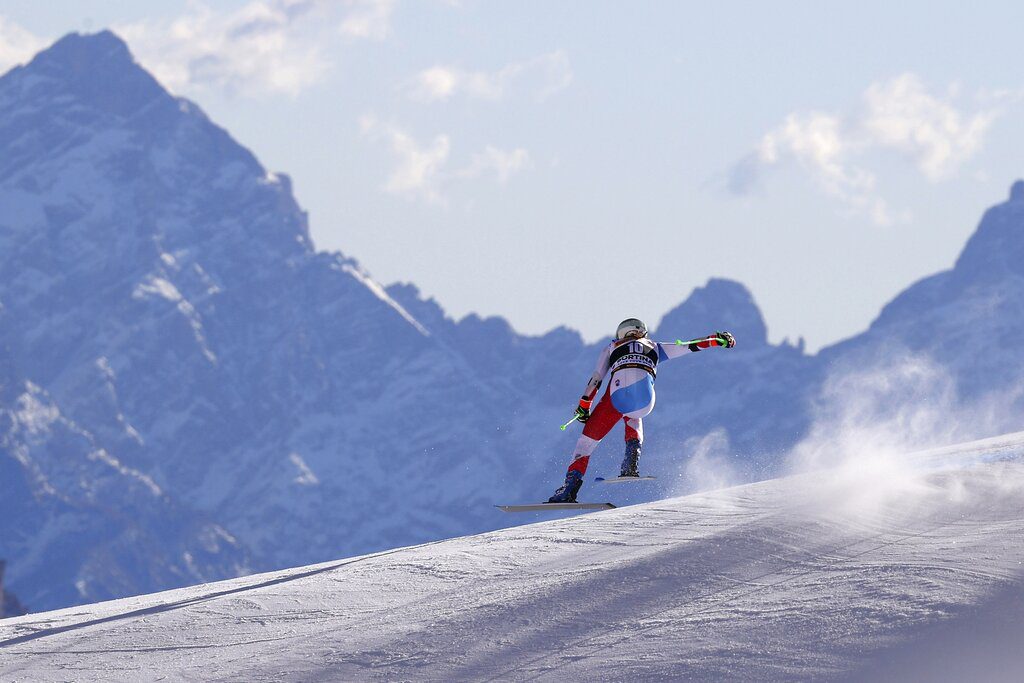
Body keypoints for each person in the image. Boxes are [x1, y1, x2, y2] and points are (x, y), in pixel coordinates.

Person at [547, 318, 736, 503]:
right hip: (646, 401)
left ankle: (570, 489)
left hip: (617, 397)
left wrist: (584, 406)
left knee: (585, 443)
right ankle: (631, 462)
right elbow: (690, 346)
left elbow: (596, 380)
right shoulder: (656, 346)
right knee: (633, 412)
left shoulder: (612, 347)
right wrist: (717, 339)